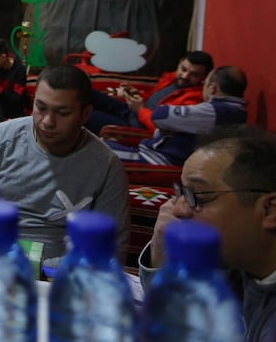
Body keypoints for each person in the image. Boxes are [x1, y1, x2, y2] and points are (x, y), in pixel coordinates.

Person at [0, 64, 130, 264]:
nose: (47, 121)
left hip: (62, 274)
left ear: (85, 114)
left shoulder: (106, 165)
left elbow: (113, 244)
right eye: (41, 107)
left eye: (62, 113)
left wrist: (49, 269)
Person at [138, 125, 276, 341]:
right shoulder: (237, 264)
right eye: (182, 193)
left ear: (269, 210)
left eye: (199, 197)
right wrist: (160, 250)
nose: (177, 209)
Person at [105, 65, 248, 165]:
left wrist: (165, 122)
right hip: (153, 147)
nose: (186, 76)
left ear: (213, 87)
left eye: (203, 81)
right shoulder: (234, 112)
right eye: (184, 69)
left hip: (157, 159)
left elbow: (160, 116)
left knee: (91, 149)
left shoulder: (216, 111)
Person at [85, 50, 214, 135]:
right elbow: (154, 100)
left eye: (194, 75)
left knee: (85, 116)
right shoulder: (172, 78)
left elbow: (163, 129)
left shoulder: (193, 100)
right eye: (183, 69)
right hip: (130, 111)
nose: (185, 76)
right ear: (179, 63)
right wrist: (137, 95)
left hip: (137, 128)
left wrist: (140, 110)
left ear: (204, 77)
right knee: (85, 91)